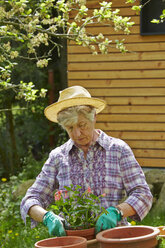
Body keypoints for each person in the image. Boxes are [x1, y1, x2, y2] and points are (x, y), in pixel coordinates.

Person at [20, 85, 153, 237]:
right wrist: (47, 217)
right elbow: (30, 199)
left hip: (114, 240)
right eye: (70, 128)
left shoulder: (117, 150)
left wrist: (117, 211)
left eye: (82, 125)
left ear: (94, 117)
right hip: (73, 242)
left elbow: (142, 194)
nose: (77, 133)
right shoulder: (58, 157)